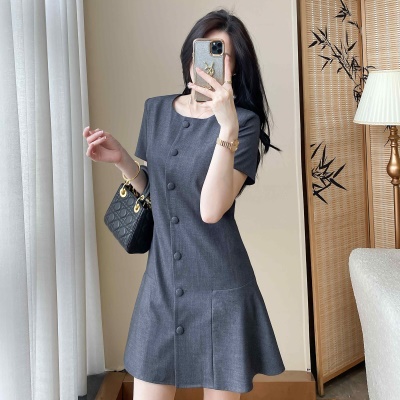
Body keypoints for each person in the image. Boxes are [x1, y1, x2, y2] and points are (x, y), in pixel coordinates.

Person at [83, 8, 285, 400]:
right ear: (190, 57)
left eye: (222, 55)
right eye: (203, 50)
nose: (209, 62)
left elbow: (210, 209)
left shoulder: (242, 124)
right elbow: (160, 193)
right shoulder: (156, 110)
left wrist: (226, 126)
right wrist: (124, 160)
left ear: (235, 68)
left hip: (219, 292)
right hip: (161, 286)